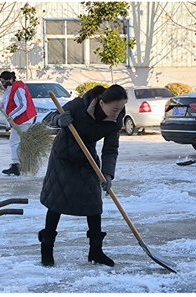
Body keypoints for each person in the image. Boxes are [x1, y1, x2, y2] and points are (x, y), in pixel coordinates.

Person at [38, 84, 128, 267]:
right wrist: (58, 120)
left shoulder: (115, 120)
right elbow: (47, 120)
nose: (118, 113)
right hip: (63, 157)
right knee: (57, 200)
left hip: (87, 159)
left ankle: (96, 251)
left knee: (94, 203)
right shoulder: (79, 105)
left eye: (121, 109)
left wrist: (108, 174)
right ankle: (47, 248)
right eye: (115, 109)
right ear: (102, 103)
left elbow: (111, 149)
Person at [0, 71, 37, 176]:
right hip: (20, 119)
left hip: (24, 120)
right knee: (18, 142)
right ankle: (21, 164)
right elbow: (10, 105)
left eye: (4, 81)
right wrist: (0, 104)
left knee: (14, 141)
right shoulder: (10, 89)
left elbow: (22, 105)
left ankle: (16, 165)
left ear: (11, 79)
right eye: (1, 82)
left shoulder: (18, 88)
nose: (3, 84)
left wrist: (12, 115)